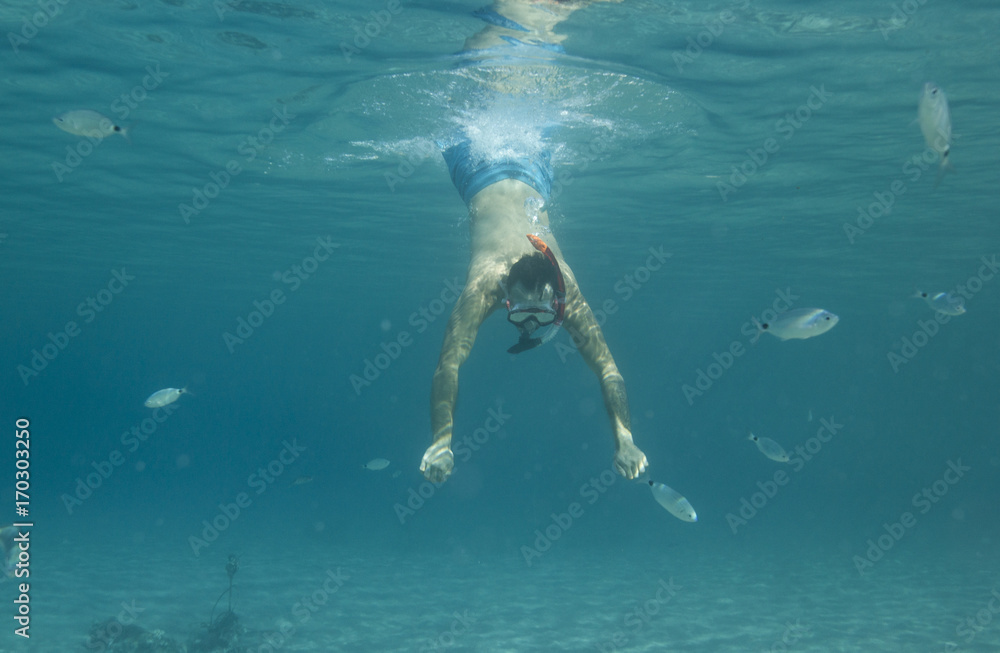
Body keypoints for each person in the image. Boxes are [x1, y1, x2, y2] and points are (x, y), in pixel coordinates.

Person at [419, 0, 648, 484]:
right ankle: (518, 16)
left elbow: (610, 371)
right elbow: (449, 363)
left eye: (533, 313)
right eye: (522, 311)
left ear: (553, 293)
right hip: (481, 167)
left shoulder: (567, 293)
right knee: (492, 63)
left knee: (494, 72)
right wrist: (442, 439)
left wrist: (625, 437)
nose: (527, 320)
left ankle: (525, 16)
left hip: (525, 169)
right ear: (505, 290)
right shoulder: (486, 284)